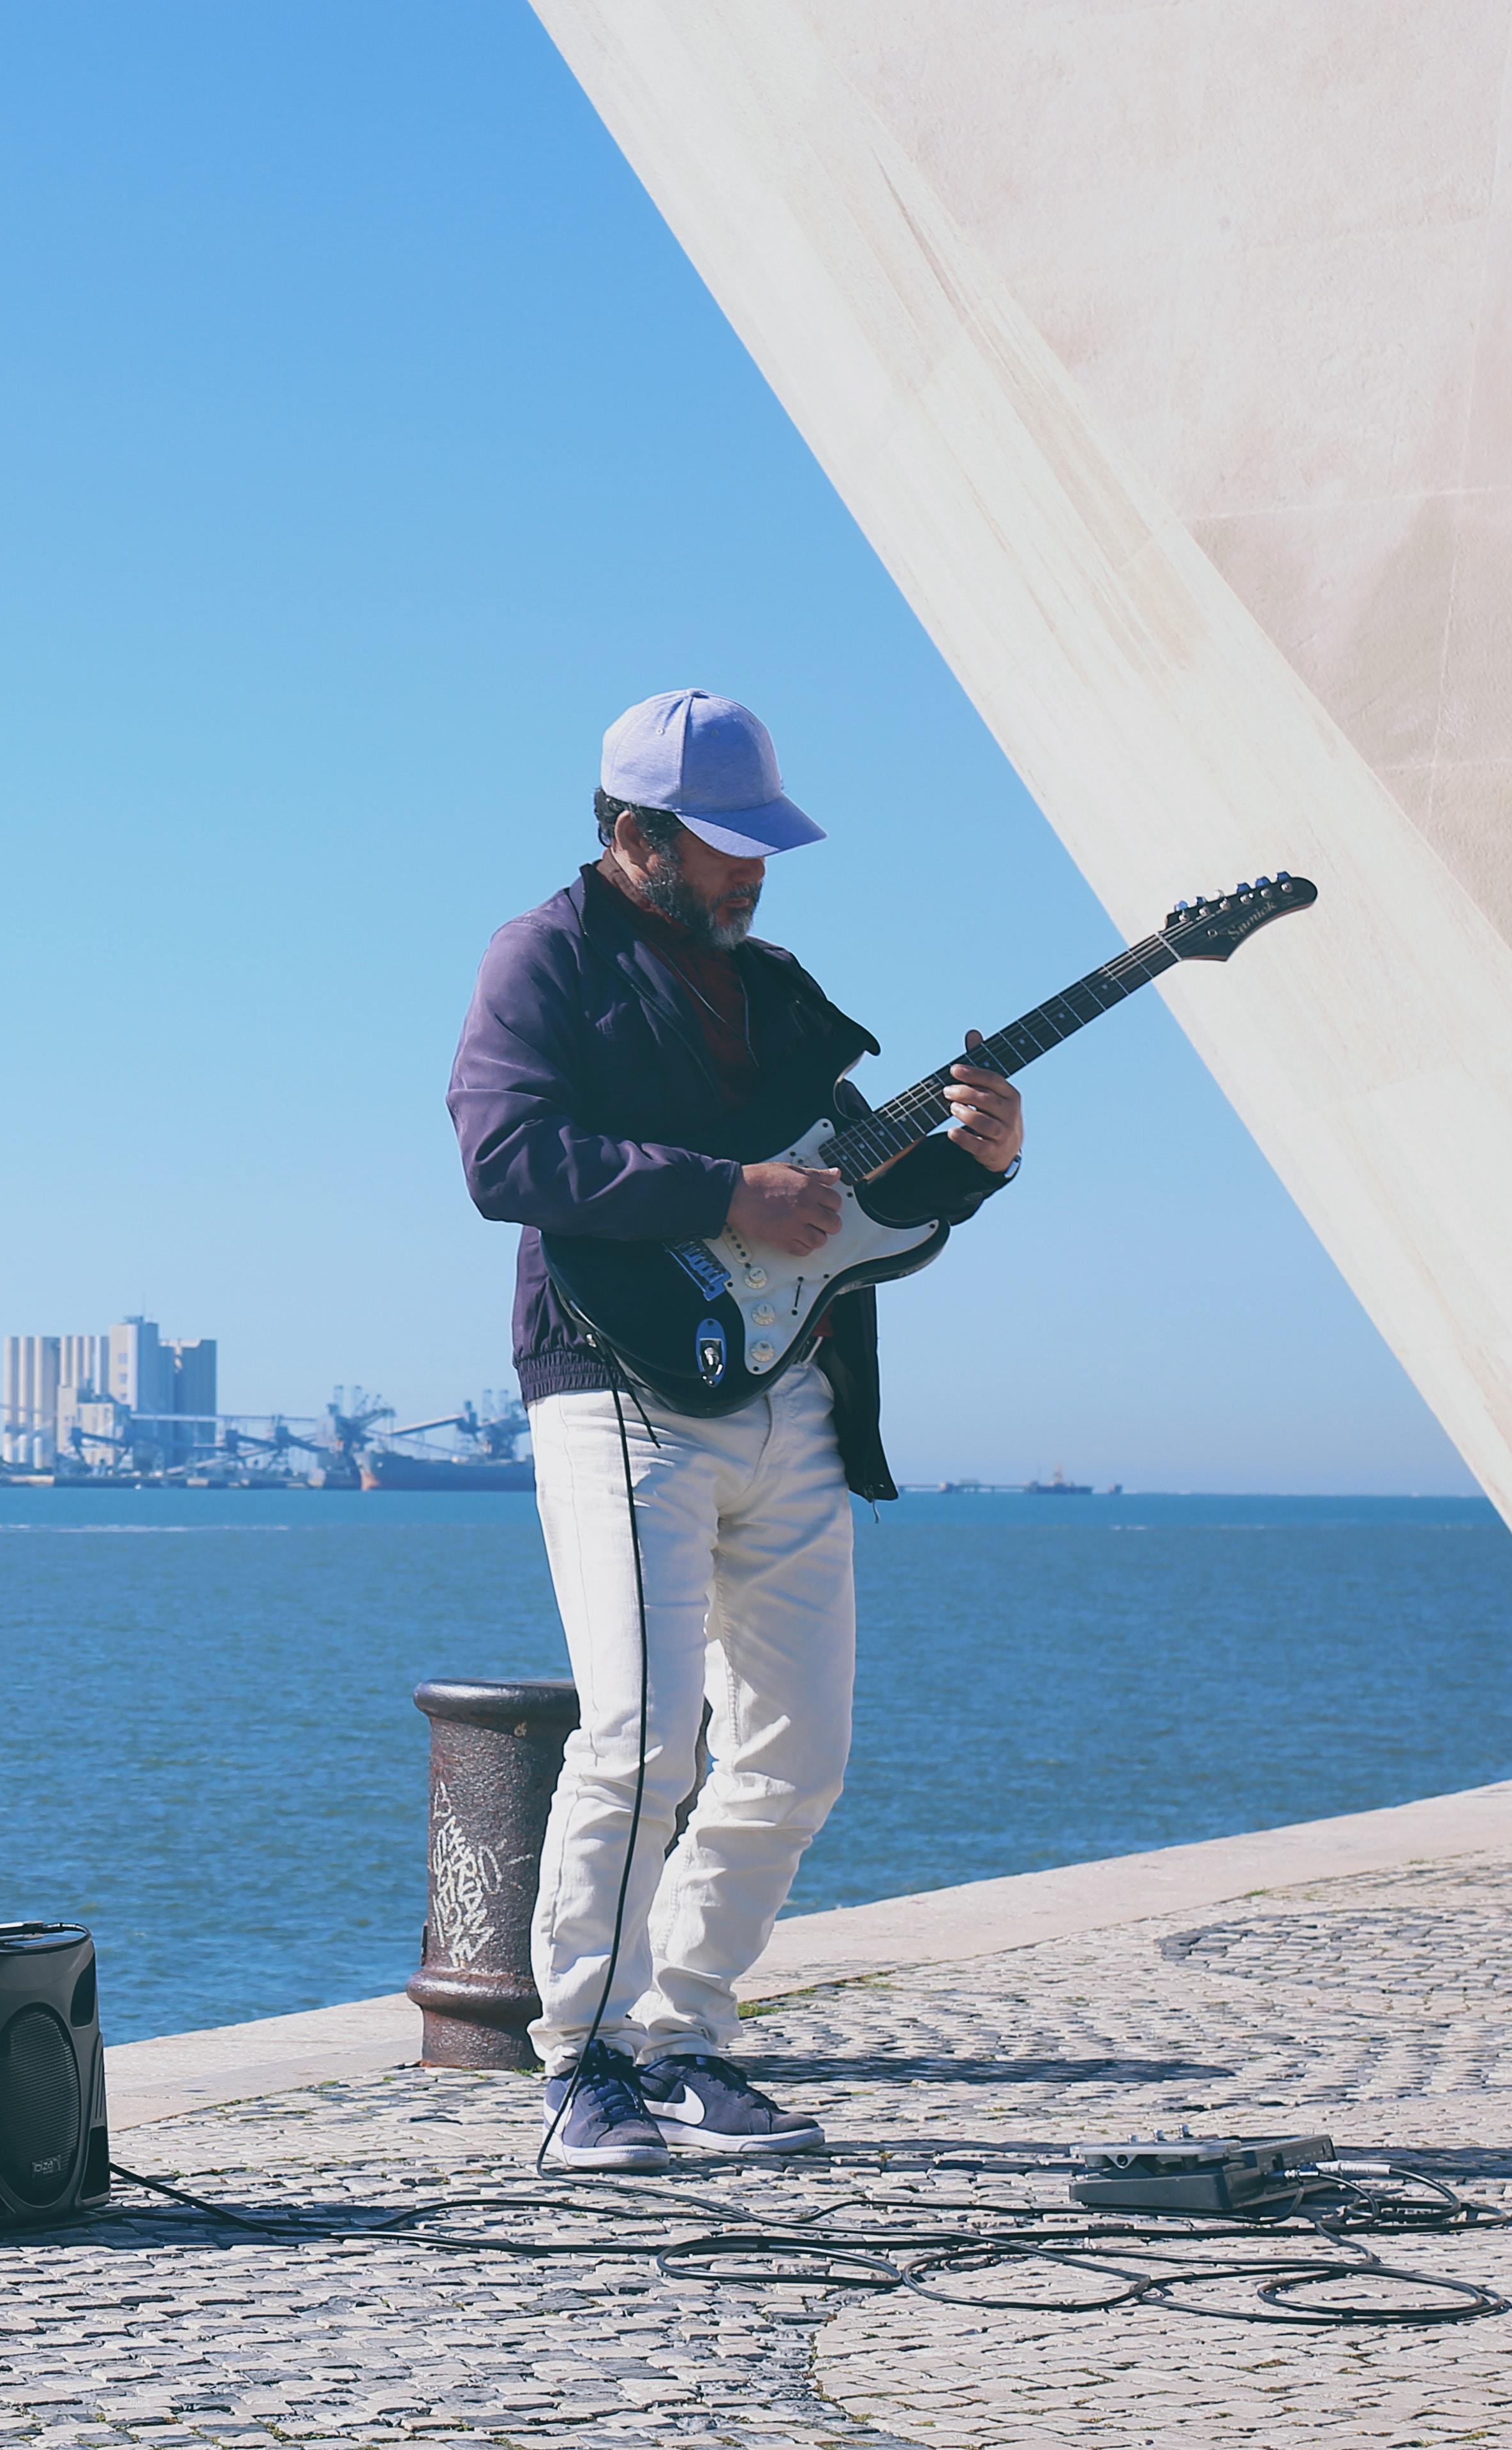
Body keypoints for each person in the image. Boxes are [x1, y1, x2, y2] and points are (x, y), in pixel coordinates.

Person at [443, 690, 1023, 2170]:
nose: (752, 870)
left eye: (761, 843)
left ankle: (684, 2038)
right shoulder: (543, 957)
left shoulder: (774, 987)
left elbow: (845, 1210)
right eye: (724, 843)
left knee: (798, 1751)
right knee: (641, 1738)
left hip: (797, 1395)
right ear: (635, 834)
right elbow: (504, 1152)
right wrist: (721, 1193)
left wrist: (975, 1166)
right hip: (614, 1386)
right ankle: (581, 2064)